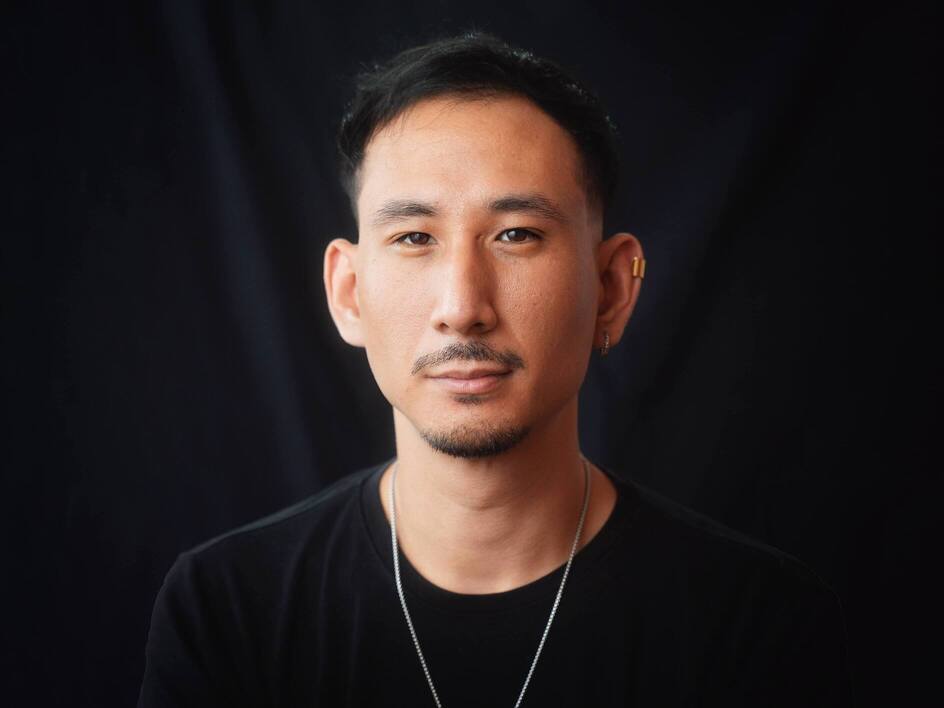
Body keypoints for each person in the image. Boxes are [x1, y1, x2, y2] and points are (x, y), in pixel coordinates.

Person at [138, 33, 852, 707]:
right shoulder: (228, 609)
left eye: (516, 235)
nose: (462, 308)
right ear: (349, 293)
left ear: (611, 289)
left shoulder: (758, 622)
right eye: (414, 237)